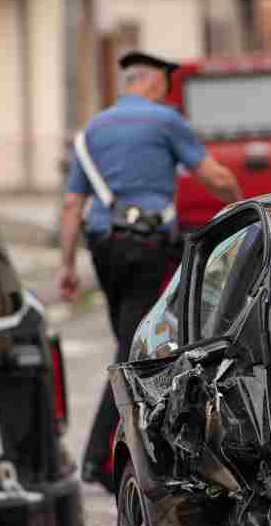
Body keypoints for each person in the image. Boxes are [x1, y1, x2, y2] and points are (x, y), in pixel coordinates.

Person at [56, 50, 241, 492]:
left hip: (103, 248)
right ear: (156, 82)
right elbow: (211, 175)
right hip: (148, 249)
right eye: (166, 84)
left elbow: (71, 205)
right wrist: (238, 198)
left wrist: (66, 266)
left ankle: (114, 451)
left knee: (127, 335)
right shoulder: (164, 121)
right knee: (132, 349)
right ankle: (99, 460)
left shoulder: (93, 130)